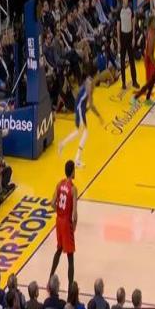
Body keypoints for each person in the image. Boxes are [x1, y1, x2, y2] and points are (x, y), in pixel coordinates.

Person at [58, 66, 104, 168]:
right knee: (84, 133)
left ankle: (63, 144)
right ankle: (76, 159)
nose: (99, 75)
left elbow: (82, 95)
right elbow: (91, 105)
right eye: (98, 73)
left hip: (79, 107)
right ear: (95, 74)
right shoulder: (90, 85)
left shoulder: (88, 80)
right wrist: (99, 116)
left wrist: (83, 105)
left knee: (79, 131)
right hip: (79, 108)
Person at [50, 160, 78, 292]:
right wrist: (74, 226)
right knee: (70, 257)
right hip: (66, 223)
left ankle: (50, 280)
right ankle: (70, 291)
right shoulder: (73, 189)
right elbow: (74, 213)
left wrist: (59, 212)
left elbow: (52, 203)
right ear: (72, 172)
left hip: (59, 221)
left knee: (59, 249)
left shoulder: (59, 184)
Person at [132, 15, 155, 106]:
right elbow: (150, 54)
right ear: (150, 24)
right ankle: (135, 97)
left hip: (149, 58)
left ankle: (147, 98)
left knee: (153, 79)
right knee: (150, 81)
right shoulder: (151, 35)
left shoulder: (151, 32)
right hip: (149, 59)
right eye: (154, 22)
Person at [117, 0, 139, 92]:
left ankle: (134, 81)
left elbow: (133, 23)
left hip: (130, 36)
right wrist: (118, 41)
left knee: (131, 60)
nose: (126, 0)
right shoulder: (119, 10)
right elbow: (118, 26)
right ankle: (123, 82)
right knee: (122, 61)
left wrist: (133, 37)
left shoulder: (131, 9)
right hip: (123, 36)